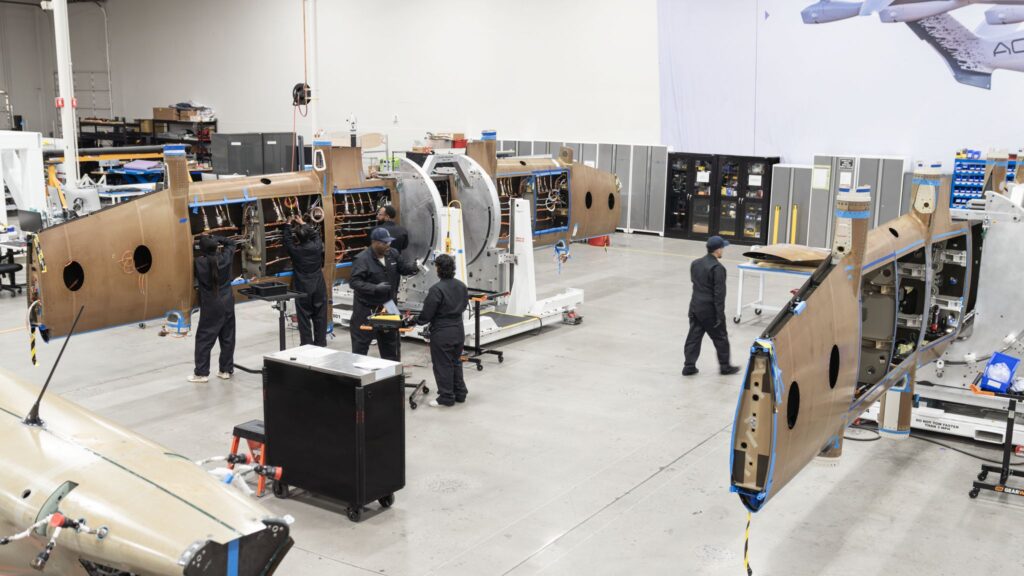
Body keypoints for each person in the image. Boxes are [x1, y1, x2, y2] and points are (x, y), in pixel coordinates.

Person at [349, 227, 419, 360]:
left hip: (389, 305)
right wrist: (374, 288)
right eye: (384, 243)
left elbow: (403, 268)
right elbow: (354, 282)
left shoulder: (393, 253)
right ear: (375, 242)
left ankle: (393, 371)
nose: (388, 245)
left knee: (392, 345)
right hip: (366, 307)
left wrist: (414, 268)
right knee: (360, 346)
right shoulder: (362, 259)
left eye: (389, 242)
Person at [416, 254, 469, 407]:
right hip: (458, 329)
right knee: (455, 362)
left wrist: (415, 320)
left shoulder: (436, 289)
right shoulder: (461, 286)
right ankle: (460, 393)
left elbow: (427, 315)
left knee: (442, 364)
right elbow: (464, 305)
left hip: (442, 332)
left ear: (438, 268)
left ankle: (446, 397)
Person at [683, 236, 740, 377]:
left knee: (694, 337)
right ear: (718, 250)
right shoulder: (717, 268)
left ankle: (689, 366)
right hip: (710, 310)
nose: (723, 251)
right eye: (722, 248)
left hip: (695, 307)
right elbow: (719, 295)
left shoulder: (695, 263)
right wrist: (720, 315)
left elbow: (694, 282)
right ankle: (725, 367)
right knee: (720, 338)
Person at [190, 235, 236, 383]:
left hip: (211, 306)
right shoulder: (225, 258)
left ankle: (201, 373)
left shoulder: (199, 262)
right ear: (216, 247)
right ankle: (225, 370)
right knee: (227, 337)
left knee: (204, 340)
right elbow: (231, 243)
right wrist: (218, 238)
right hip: (227, 302)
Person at [283, 215, 328, 346]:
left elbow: (287, 241)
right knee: (320, 316)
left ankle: (307, 345)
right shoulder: (317, 246)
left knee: (303, 317)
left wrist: (287, 224)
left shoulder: (296, 251)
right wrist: (303, 223)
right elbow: (315, 235)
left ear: (297, 238)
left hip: (303, 287)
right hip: (318, 286)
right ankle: (321, 343)